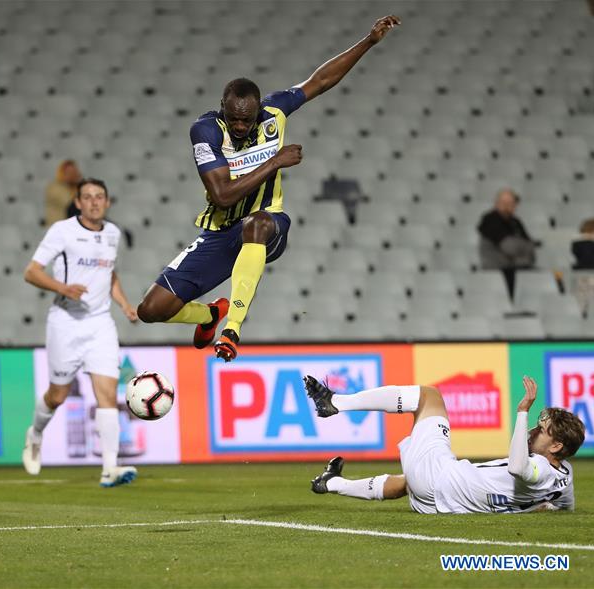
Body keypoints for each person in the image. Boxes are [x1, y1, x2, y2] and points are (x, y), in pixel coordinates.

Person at [136, 16, 401, 361]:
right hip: (220, 231)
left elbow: (319, 81)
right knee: (151, 309)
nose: (242, 126)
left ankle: (232, 328)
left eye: (248, 119)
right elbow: (222, 196)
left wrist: (367, 41)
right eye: (235, 119)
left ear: (258, 109)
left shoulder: (274, 113)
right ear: (223, 110)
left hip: (267, 225)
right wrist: (274, 162)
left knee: (256, 223)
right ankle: (210, 315)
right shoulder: (205, 131)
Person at [304, 374, 584, 514]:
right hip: (444, 504)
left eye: (543, 431)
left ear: (556, 446)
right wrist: (540, 507)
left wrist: (523, 411)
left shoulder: (541, 468)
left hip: (440, 479)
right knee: (405, 483)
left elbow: (518, 466)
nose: (534, 431)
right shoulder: (564, 476)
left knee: (429, 397)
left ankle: (335, 402)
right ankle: (329, 484)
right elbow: (565, 507)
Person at [22, 178, 140, 487]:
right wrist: (63, 288)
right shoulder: (62, 231)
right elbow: (31, 272)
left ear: (108, 202)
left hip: (101, 323)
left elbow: (109, 273)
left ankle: (110, 468)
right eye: (87, 197)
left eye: (99, 197)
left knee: (107, 394)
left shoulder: (113, 234)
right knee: (57, 396)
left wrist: (125, 305)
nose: (94, 202)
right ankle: (34, 434)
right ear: (77, 203)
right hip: (66, 321)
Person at [477, 188, 538, 297]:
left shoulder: (516, 222)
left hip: (518, 269)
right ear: (496, 204)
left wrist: (522, 249)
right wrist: (523, 249)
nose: (506, 206)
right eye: (503, 203)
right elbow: (510, 247)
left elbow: (531, 249)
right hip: (498, 271)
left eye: (510, 203)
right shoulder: (490, 220)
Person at [44, 159, 83, 226]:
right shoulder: (54, 187)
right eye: (69, 172)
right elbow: (70, 202)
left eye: (74, 172)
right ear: (62, 173)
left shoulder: (78, 187)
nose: (72, 175)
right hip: (59, 229)